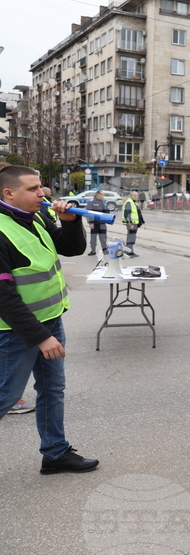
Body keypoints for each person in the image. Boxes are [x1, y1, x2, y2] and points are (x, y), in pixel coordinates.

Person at [0, 163, 98, 474]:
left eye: (41, 186)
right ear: (8, 193)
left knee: (53, 389)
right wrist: (40, 338)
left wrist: (69, 222)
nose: (42, 192)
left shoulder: (37, 216)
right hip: (16, 332)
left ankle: (55, 453)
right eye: (33, 188)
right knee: (7, 395)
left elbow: (71, 248)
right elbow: (4, 297)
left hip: (51, 320)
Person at [86, 190, 110, 256]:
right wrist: (90, 222)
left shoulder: (104, 202)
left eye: (103, 195)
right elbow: (88, 213)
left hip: (102, 223)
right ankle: (93, 250)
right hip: (94, 223)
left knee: (103, 237)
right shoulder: (91, 202)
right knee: (93, 237)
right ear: (97, 195)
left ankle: (104, 249)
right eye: (102, 194)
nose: (103, 196)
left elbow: (107, 211)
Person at [122, 190, 143, 257]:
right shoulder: (129, 202)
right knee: (131, 237)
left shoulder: (133, 203)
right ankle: (128, 251)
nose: (136, 197)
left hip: (134, 223)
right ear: (131, 196)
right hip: (131, 224)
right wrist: (130, 224)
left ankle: (130, 251)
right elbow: (127, 214)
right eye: (134, 196)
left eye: (137, 196)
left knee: (132, 237)